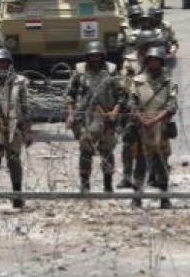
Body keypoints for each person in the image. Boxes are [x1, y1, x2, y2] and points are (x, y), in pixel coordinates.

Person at [66, 41, 122, 194]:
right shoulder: (80, 71)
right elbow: (70, 94)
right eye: (92, 56)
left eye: (98, 56)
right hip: (87, 117)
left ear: (103, 56)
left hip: (107, 116)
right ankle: (85, 185)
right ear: (87, 57)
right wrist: (71, 115)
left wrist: (115, 111)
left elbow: (121, 94)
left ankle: (108, 186)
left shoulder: (111, 71)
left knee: (107, 150)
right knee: (85, 151)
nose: (95, 59)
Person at [128, 46, 178, 209]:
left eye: (157, 61)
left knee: (161, 162)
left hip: (161, 127)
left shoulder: (169, 82)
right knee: (140, 163)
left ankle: (164, 197)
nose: (154, 64)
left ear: (161, 63)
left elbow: (172, 105)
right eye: (151, 61)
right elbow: (131, 103)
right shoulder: (137, 81)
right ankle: (137, 196)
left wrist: (155, 119)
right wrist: (141, 118)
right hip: (141, 127)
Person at [117, 29, 160, 189]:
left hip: (151, 106)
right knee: (128, 142)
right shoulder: (130, 61)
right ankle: (127, 176)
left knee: (153, 143)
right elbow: (124, 82)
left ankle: (153, 175)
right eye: (147, 44)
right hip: (132, 106)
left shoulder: (157, 58)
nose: (149, 47)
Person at [0, 48, 29, 210]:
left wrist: (27, 129)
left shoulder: (19, 81)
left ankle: (17, 196)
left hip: (13, 125)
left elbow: (25, 106)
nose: (2, 66)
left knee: (14, 161)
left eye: (5, 63)